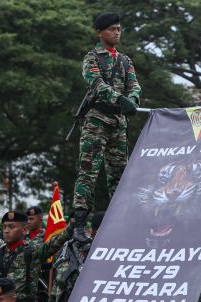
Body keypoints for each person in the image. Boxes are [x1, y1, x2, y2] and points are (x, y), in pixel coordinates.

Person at [71, 12, 142, 243]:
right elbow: (96, 84)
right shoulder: (92, 59)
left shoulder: (125, 60)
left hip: (118, 123)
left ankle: (122, 222)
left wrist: (132, 98)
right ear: (100, 33)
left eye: (119, 29)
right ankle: (81, 224)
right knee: (88, 173)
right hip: (97, 120)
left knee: (120, 175)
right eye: (112, 29)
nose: (117, 33)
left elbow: (134, 86)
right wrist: (118, 99)